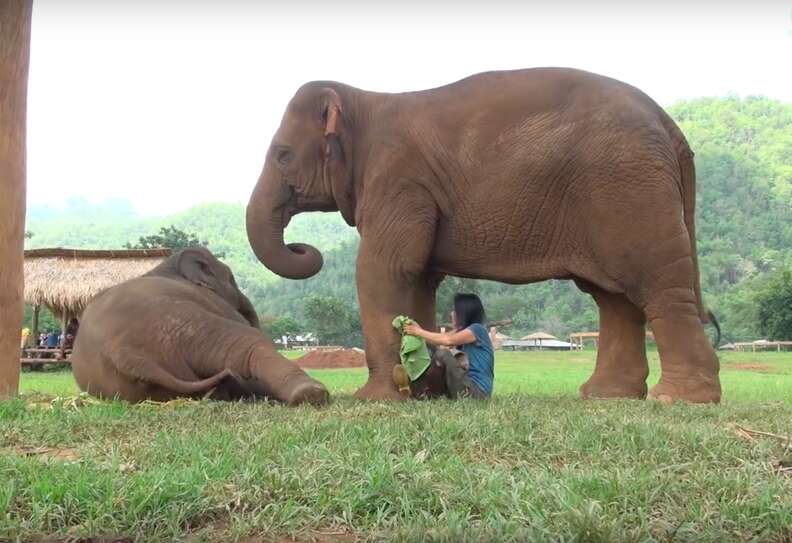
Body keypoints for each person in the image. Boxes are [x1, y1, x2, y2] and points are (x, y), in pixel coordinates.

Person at [401, 293, 494, 399]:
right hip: (463, 386)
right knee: (431, 350)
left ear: (464, 312)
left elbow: (447, 340)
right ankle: (415, 387)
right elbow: (439, 339)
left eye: (455, 310)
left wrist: (418, 332)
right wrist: (418, 330)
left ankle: (427, 393)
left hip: (477, 392)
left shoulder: (477, 329)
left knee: (443, 354)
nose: (451, 314)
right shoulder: (462, 331)